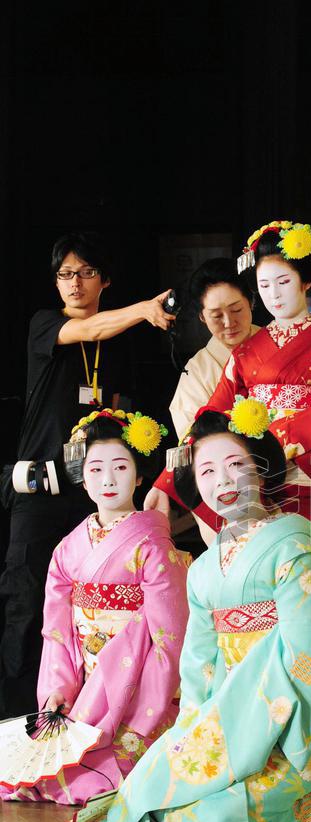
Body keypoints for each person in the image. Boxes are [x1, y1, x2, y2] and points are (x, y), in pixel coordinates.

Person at [74, 400, 311, 822]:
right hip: (229, 724)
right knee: (151, 795)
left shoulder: (295, 553)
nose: (223, 482)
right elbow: (198, 665)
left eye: (236, 465)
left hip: (294, 731)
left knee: (208, 821)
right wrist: (197, 731)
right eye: (208, 471)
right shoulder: (204, 569)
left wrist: (278, 737)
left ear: (263, 470)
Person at [147, 220, 311, 633]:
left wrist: (265, 443)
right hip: (265, 486)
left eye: (283, 282)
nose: (275, 295)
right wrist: (166, 479)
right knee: (270, 599)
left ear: (306, 283)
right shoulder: (247, 352)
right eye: (265, 286)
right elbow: (211, 419)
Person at [0, 232, 175, 718]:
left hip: (94, 496)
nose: (73, 284)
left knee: (92, 608)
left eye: (85, 273)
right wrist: (142, 309)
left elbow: (126, 411)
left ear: (105, 279)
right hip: (41, 492)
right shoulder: (45, 325)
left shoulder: (118, 346)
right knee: (26, 600)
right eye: (64, 275)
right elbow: (91, 330)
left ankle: (89, 714)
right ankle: (15, 719)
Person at [0, 408, 189, 806]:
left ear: (139, 476)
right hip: (86, 681)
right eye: (95, 469)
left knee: (114, 763)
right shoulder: (69, 547)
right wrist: (58, 689)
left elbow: (169, 639)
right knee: (48, 763)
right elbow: (57, 631)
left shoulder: (153, 545)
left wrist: (147, 706)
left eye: (120, 467)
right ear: (81, 479)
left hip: (138, 682)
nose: (107, 479)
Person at [169, 258, 260, 546]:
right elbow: (194, 448)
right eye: (216, 315)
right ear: (201, 317)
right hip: (231, 492)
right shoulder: (197, 373)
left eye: (236, 310)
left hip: (294, 480)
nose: (229, 323)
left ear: (252, 302)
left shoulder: (281, 346)